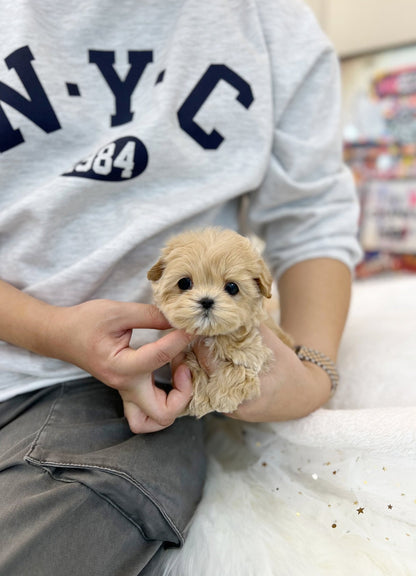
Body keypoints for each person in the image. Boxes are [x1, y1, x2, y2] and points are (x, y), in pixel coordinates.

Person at [0, 0, 362, 574]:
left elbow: (311, 213)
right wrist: (47, 328)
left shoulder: (267, 18)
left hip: (120, 393)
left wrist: (314, 374)